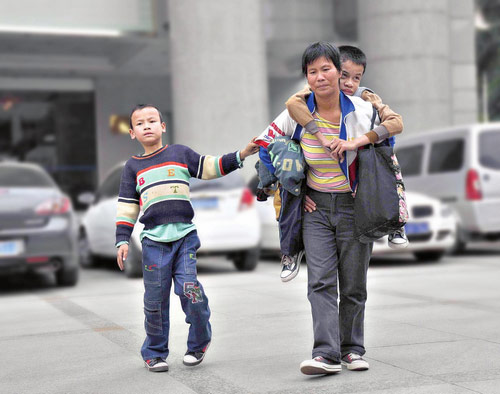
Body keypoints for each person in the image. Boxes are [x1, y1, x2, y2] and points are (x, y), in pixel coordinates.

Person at [255, 41, 378, 375]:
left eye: (327, 69)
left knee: (353, 283)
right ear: (306, 78)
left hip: (355, 207)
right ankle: (325, 353)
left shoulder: (362, 110)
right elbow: (266, 143)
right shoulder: (296, 111)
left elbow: (387, 145)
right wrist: (292, 187)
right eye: (313, 71)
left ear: (340, 72)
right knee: (320, 282)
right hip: (316, 209)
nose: (320, 76)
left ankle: (352, 349)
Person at [115, 104, 259, 372]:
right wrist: (122, 239)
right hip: (153, 243)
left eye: (152, 121)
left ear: (163, 126)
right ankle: (155, 352)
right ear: (132, 133)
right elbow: (127, 206)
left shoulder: (179, 153)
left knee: (189, 291)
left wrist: (241, 154)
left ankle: (198, 343)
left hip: (184, 239)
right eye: (140, 123)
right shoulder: (133, 167)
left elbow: (209, 167)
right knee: (155, 300)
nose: (147, 126)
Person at [285, 45, 408, 249]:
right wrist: (320, 136)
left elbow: (396, 122)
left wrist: (358, 141)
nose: (349, 83)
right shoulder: (313, 94)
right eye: (344, 75)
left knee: (388, 159)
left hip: (367, 158)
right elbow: (292, 102)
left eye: (356, 77)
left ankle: (397, 223)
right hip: (325, 189)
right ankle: (290, 252)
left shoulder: (365, 97)